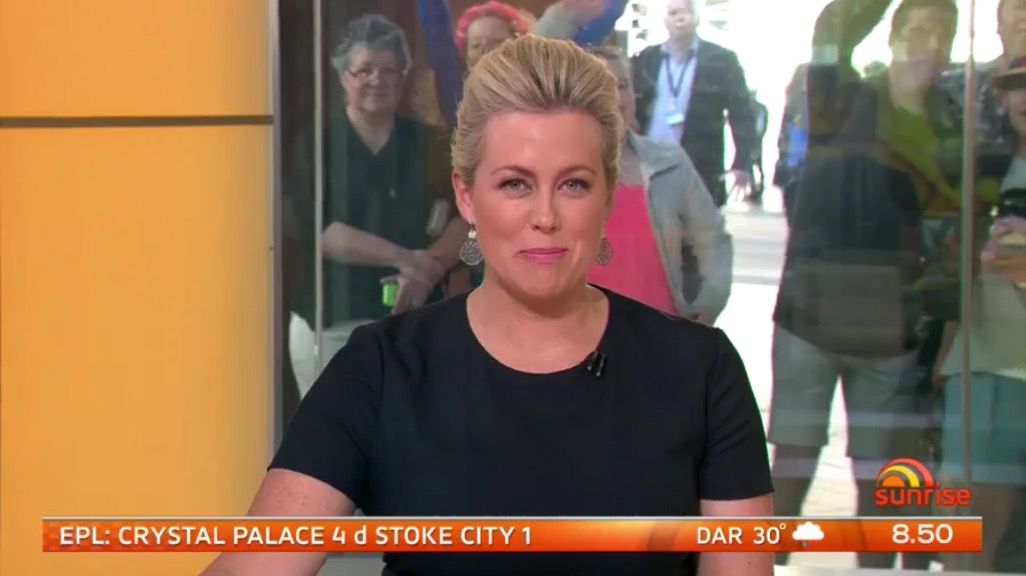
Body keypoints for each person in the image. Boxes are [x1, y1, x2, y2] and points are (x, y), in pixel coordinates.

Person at [200, 35, 773, 576]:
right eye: (515, 184)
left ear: (606, 197)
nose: (545, 217)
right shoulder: (382, 368)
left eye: (573, 184)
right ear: (467, 196)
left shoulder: (700, 371)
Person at [286, 15, 466, 396]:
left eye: (389, 70)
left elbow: (465, 220)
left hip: (419, 322)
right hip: (334, 323)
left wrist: (427, 272)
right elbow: (322, 231)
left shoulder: (430, 142)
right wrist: (407, 259)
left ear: (403, 77)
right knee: (338, 429)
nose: (377, 80)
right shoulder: (317, 144)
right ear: (343, 77)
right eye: (364, 70)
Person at [933, 58, 1026, 572]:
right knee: (969, 542)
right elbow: (956, 273)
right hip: (988, 369)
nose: (1025, 97)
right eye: (1016, 87)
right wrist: (947, 347)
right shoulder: (984, 172)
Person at [587, 46, 733, 324]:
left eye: (622, 86)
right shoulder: (553, 172)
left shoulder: (669, 163)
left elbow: (712, 238)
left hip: (661, 337)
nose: (616, 98)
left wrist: (708, 304)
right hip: (580, 340)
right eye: (600, 86)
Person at [631, 0, 757, 207]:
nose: (680, 18)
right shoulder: (645, 60)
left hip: (699, 166)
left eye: (686, 12)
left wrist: (743, 162)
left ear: (697, 18)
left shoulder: (721, 60)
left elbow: (742, 114)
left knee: (698, 224)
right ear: (664, 20)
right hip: (649, 165)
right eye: (673, 13)